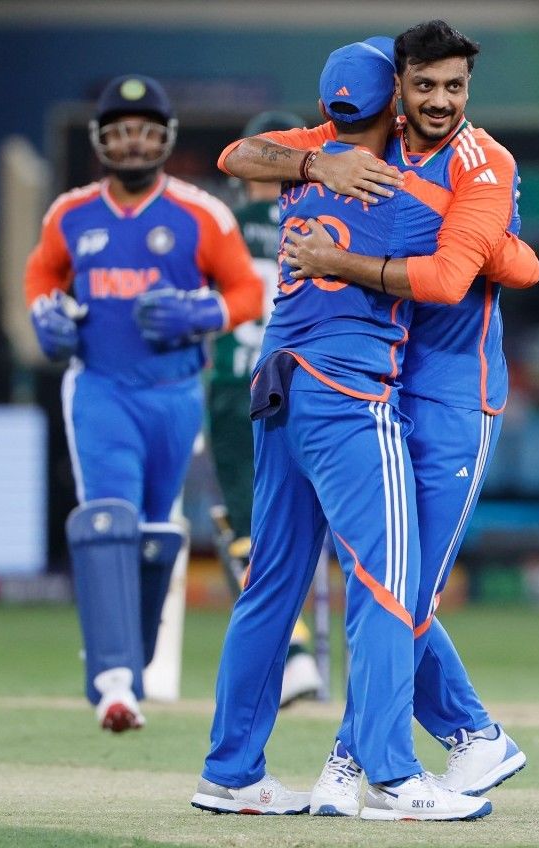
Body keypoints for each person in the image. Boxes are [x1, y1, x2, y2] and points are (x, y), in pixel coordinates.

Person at [193, 41, 535, 821]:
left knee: (272, 587)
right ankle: (391, 777)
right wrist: (500, 239)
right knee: (386, 588)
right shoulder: (406, 191)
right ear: (395, 104)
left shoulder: (309, 161)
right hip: (349, 396)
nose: (435, 102)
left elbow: (241, 154)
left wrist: (314, 173)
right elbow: (488, 271)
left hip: (277, 382)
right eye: (419, 89)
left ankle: (230, 772)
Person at [24, 75, 262, 732]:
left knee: (156, 530)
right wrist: (46, 315)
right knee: (110, 518)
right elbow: (42, 273)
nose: (134, 144)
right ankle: (112, 681)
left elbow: (247, 292)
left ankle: (133, 660)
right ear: (103, 140)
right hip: (100, 387)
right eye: (122, 131)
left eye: (147, 132)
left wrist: (200, 312)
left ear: (165, 140)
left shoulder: (200, 214)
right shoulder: (71, 213)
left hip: (175, 394)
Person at [206, 109, 323, 706]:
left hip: (239, 388)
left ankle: (295, 654)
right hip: (320, 383)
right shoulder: (323, 220)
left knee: (254, 529)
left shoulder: (222, 226)